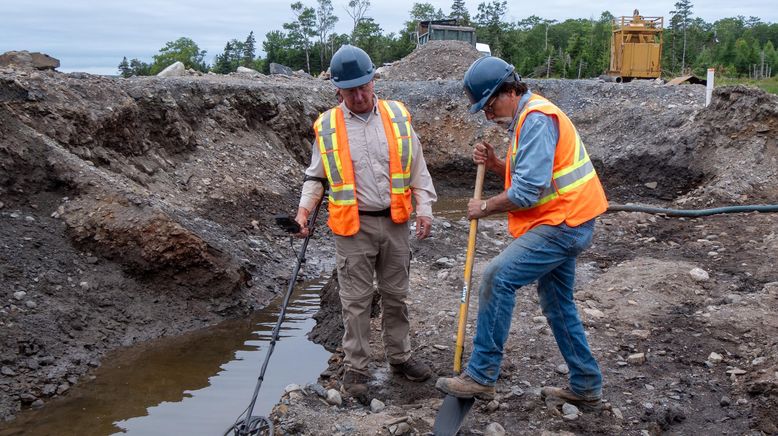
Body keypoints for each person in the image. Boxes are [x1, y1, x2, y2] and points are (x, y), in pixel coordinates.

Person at [435, 56, 608, 411]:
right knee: (558, 303)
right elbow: (533, 176)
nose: (487, 115)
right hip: (567, 219)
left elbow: (528, 192)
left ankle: (481, 376)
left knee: (497, 277)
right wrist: (498, 164)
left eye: (490, 104)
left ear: (511, 90)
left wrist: (483, 207)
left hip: (564, 223)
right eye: (482, 109)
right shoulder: (526, 118)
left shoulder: (537, 119)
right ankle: (586, 385)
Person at [295, 45, 437, 397]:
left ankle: (400, 358)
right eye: (350, 90)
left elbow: (417, 167)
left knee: (396, 296)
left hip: (395, 223)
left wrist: (426, 208)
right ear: (337, 90)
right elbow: (316, 177)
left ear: (374, 80)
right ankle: (356, 370)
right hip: (352, 227)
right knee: (355, 302)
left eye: (364, 86)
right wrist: (303, 211)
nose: (359, 96)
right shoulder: (327, 126)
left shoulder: (398, 117)